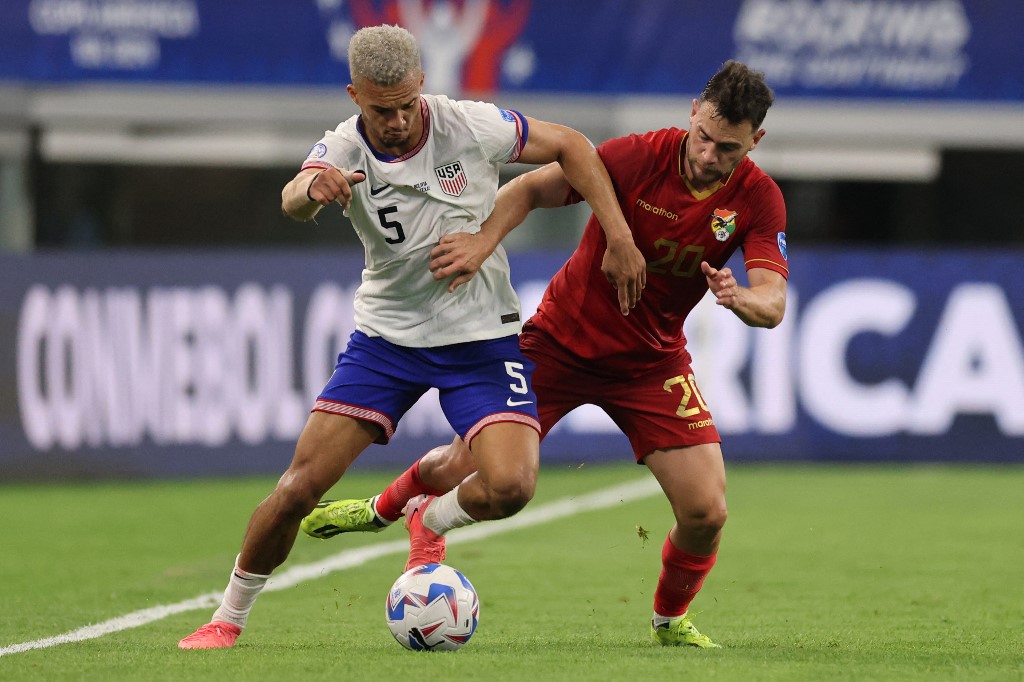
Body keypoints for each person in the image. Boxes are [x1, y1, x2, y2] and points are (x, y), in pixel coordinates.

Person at [178, 24, 646, 650]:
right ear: (353, 96)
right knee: (298, 489)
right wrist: (310, 191)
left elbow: (574, 146)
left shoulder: (470, 124)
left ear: (422, 84)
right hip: (387, 341)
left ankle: (425, 514)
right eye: (380, 109)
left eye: (405, 105)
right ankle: (226, 618)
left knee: (511, 486)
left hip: (481, 339)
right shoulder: (343, 147)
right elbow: (295, 195)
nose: (396, 120)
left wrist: (617, 236)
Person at [300, 60, 789, 649]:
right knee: (464, 468)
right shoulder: (637, 157)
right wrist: (483, 242)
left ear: (754, 142)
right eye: (704, 136)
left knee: (707, 511)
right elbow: (531, 188)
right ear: (693, 113)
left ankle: (668, 622)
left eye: (727, 148)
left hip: (651, 364)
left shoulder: (759, 199)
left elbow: (774, 301)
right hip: (557, 344)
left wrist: (740, 299)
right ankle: (387, 507)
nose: (708, 155)